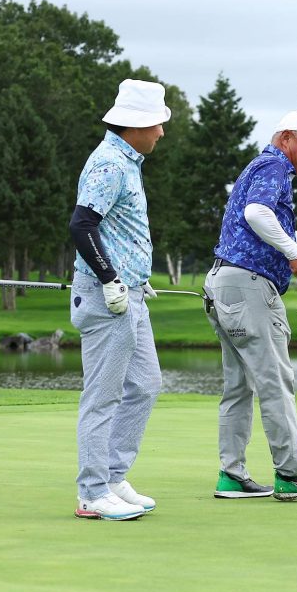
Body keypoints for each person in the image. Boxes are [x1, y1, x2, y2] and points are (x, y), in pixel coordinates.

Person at [205, 110, 297, 501]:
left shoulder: (258, 166)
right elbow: (256, 214)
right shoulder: (275, 165)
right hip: (249, 288)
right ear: (286, 138)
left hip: (224, 283)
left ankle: (232, 475)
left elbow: (259, 222)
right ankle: (291, 474)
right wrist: (292, 253)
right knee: (275, 381)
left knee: (238, 386)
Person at [67, 79, 170, 521]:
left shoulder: (128, 162)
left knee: (145, 384)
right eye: (157, 124)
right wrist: (110, 277)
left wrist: (135, 277)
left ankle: (112, 477)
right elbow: (81, 224)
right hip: (107, 297)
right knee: (103, 396)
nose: (161, 132)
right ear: (136, 125)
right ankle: (92, 491)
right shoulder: (110, 163)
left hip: (131, 296)